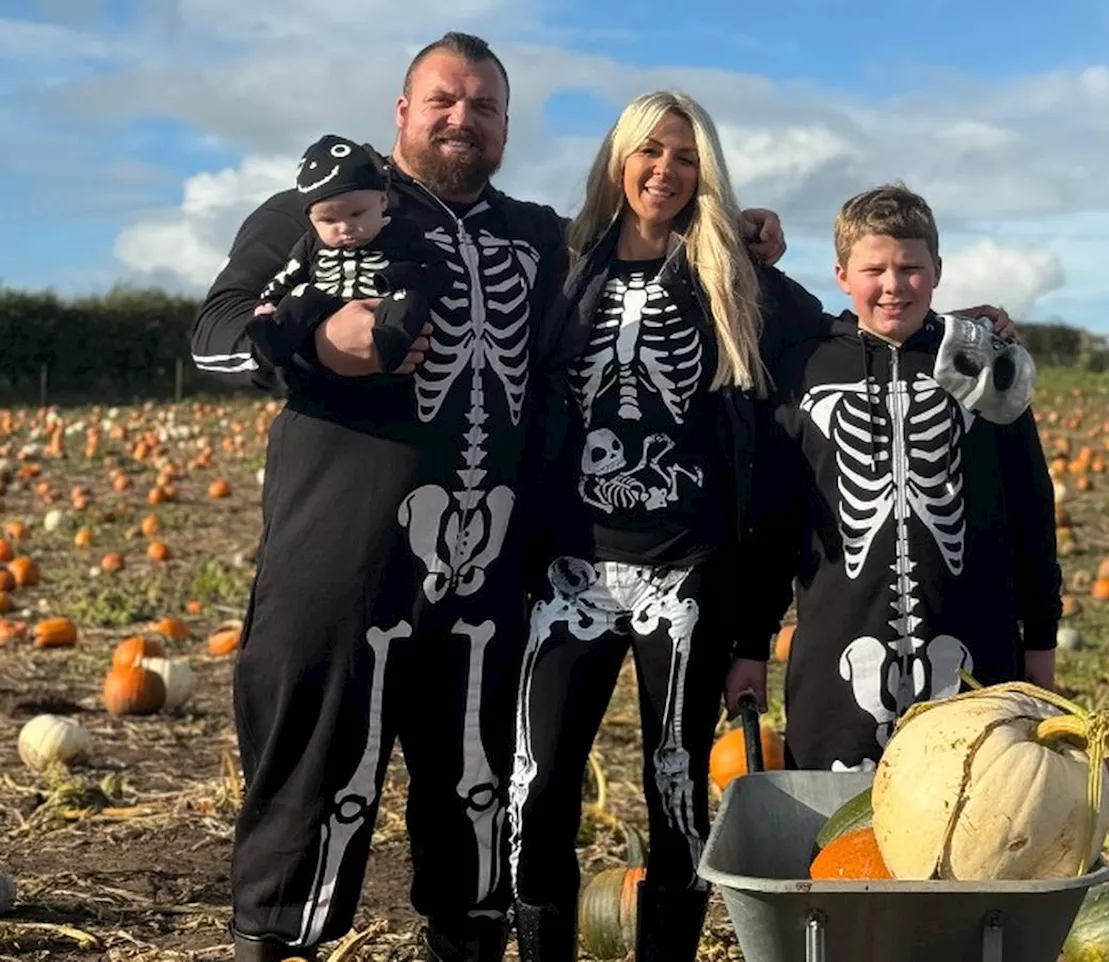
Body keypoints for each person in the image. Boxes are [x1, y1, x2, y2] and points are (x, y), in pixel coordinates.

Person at [189, 32, 786, 962]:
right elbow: (215, 330)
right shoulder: (326, 210)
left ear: (507, 124)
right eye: (443, 101)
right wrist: (315, 341)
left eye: (485, 106)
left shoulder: (540, 236)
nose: (464, 118)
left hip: (490, 576)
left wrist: (735, 230)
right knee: (314, 781)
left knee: (477, 799)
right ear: (402, 111)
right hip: (344, 559)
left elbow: (646, 252)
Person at [505, 90, 829, 962]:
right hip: (568, 574)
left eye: (685, 158)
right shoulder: (563, 265)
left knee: (677, 788)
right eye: (649, 152)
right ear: (619, 161)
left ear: (705, 174)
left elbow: (847, 333)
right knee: (534, 789)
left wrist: (962, 330)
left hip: (684, 575)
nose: (665, 171)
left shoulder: (732, 274)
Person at [731, 183, 1062, 777]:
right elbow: (773, 525)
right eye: (873, 269)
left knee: (977, 823)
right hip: (838, 655)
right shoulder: (803, 370)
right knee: (838, 843)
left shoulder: (984, 364)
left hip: (974, 651)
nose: (892, 285)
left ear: (937, 271)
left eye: (911, 268)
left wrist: (1040, 640)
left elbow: (1030, 508)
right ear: (841, 275)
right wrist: (751, 646)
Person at [247, 132, 449, 375]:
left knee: (407, 299)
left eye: (356, 214)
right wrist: (269, 303)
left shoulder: (402, 233)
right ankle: (277, 338)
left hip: (383, 312)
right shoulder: (311, 243)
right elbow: (287, 276)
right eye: (328, 220)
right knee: (302, 292)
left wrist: (398, 276)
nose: (344, 227)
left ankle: (391, 342)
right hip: (325, 313)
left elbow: (438, 273)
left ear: (382, 201)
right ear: (311, 220)